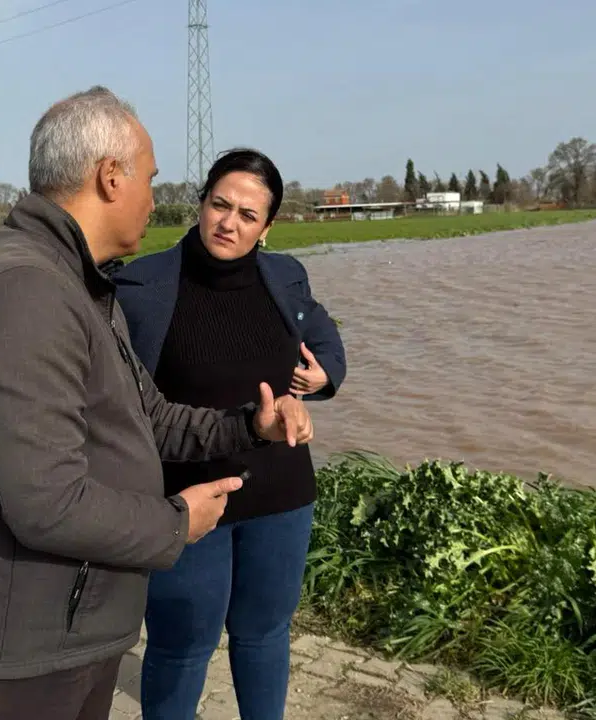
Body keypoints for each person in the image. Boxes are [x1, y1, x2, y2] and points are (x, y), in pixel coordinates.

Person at [0, 88, 315, 720]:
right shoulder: (27, 293)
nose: (153, 199)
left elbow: (151, 418)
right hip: (32, 641)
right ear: (111, 177)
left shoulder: (75, 285)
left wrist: (252, 424)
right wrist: (173, 523)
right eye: (151, 179)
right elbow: (45, 502)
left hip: (72, 619)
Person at [112, 148, 347, 719]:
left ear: (267, 227)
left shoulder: (286, 278)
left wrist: (326, 375)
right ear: (201, 204)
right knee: (180, 644)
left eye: (247, 215)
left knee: (264, 633)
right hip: (186, 496)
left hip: (281, 492)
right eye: (220, 204)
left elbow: (325, 337)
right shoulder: (141, 284)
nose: (229, 222)